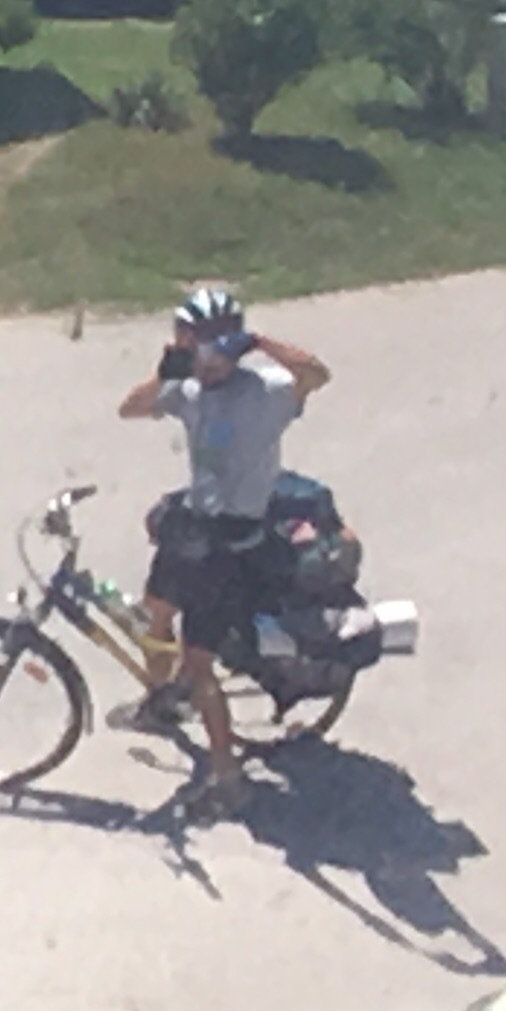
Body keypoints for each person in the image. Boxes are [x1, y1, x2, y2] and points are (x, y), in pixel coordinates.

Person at [114, 283, 332, 811]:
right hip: (193, 526)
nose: (205, 361)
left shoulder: (267, 391)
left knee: (199, 663)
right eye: (193, 347)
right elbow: (129, 409)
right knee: (154, 615)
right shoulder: (187, 388)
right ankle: (157, 704)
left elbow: (317, 375)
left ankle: (228, 778)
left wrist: (258, 341)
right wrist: (164, 373)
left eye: (212, 348)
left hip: (232, 542)